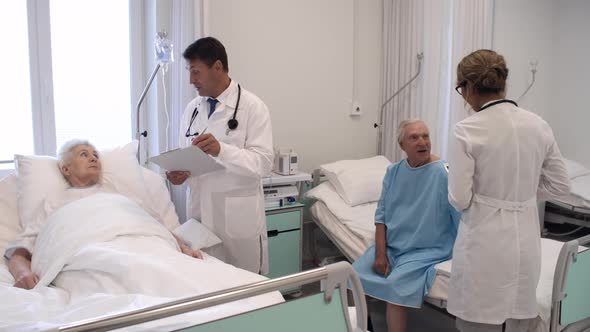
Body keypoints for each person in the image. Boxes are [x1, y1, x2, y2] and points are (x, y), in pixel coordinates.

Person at [447, 49, 571, 332]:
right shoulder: (538, 125)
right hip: (526, 240)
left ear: (467, 87)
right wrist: (521, 194)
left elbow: (460, 198)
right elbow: (561, 184)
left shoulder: (467, 129)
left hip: (485, 241)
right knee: (518, 319)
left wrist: (496, 198)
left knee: (477, 322)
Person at [6, 140, 201, 290]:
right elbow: (20, 253)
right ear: (66, 169)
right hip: (89, 254)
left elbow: (154, 226)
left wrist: (183, 247)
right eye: (84, 155)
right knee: (132, 272)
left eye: (95, 155)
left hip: (144, 247)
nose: (93, 158)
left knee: (177, 273)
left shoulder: (120, 195)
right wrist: (22, 274)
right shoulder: (54, 202)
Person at [166, 37, 273, 274]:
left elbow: (264, 164)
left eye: (196, 72)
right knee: (207, 288)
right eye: (189, 72)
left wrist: (222, 150)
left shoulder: (253, 107)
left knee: (245, 292)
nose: (191, 80)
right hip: (200, 217)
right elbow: (188, 156)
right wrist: (179, 173)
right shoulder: (192, 109)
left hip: (237, 221)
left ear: (217, 66)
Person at [352, 120, 461, 332]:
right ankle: (362, 327)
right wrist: (381, 254)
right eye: (414, 137)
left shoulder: (442, 172)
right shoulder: (393, 172)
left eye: (426, 136)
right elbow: (381, 216)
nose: (423, 142)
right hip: (394, 246)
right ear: (402, 146)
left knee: (396, 287)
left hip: (428, 249)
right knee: (353, 276)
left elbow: (460, 216)